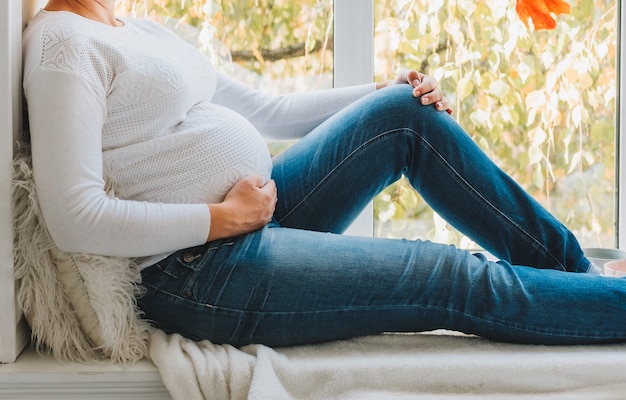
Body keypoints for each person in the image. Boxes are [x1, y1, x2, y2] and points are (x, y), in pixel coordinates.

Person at [22, 0, 626, 349]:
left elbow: (266, 110)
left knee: (403, 118)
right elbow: (75, 216)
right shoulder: (61, 44)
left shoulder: (140, 30)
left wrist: (384, 90)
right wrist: (221, 218)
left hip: (258, 219)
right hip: (195, 272)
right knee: (449, 275)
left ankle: (581, 280)